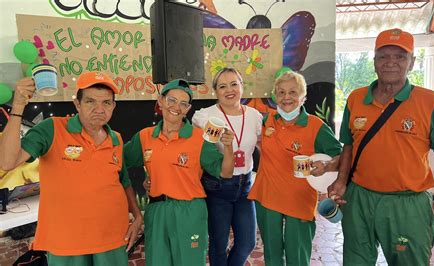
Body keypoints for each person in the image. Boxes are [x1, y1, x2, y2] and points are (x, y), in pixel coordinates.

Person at [329, 28, 434, 265]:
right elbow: (349, 145)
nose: (391, 63)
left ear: (412, 62)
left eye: (400, 56)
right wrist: (342, 181)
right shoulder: (355, 98)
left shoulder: (432, 103)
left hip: (407, 204)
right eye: (383, 56)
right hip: (359, 200)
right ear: (374, 61)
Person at [0, 72, 143, 265]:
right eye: (91, 101)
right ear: (77, 104)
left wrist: (137, 216)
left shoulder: (115, 138)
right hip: (66, 243)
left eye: (106, 103)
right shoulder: (51, 129)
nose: (99, 109)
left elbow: (124, 181)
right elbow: (7, 162)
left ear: (113, 106)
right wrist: (17, 107)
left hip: (112, 238)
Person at [123, 78, 235, 266]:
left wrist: (228, 147)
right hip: (157, 211)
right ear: (161, 101)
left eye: (183, 104)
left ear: (188, 109)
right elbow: (119, 161)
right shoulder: (145, 136)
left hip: (189, 211)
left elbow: (225, 173)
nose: (176, 107)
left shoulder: (199, 138)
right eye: (171, 100)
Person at [248, 70, 342, 266]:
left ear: (303, 96)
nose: (286, 97)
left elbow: (341, 156)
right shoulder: (266, 121)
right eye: (281, 93)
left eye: (293, 92)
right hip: (267, 198)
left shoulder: (316, 126)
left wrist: (325, 165)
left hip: (299, 200)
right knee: (272, 257)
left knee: (298, 256)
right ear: (275, 97)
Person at [192, 67, 262, 266]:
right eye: (222, 86)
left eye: (234, 84)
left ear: (242, 86)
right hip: (217, 186)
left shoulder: (255, 116)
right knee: (219, 243)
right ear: (216, 91)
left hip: (245, 187)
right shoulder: (204, 116)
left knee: (248, 242)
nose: (229, 90)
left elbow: (264, 146)